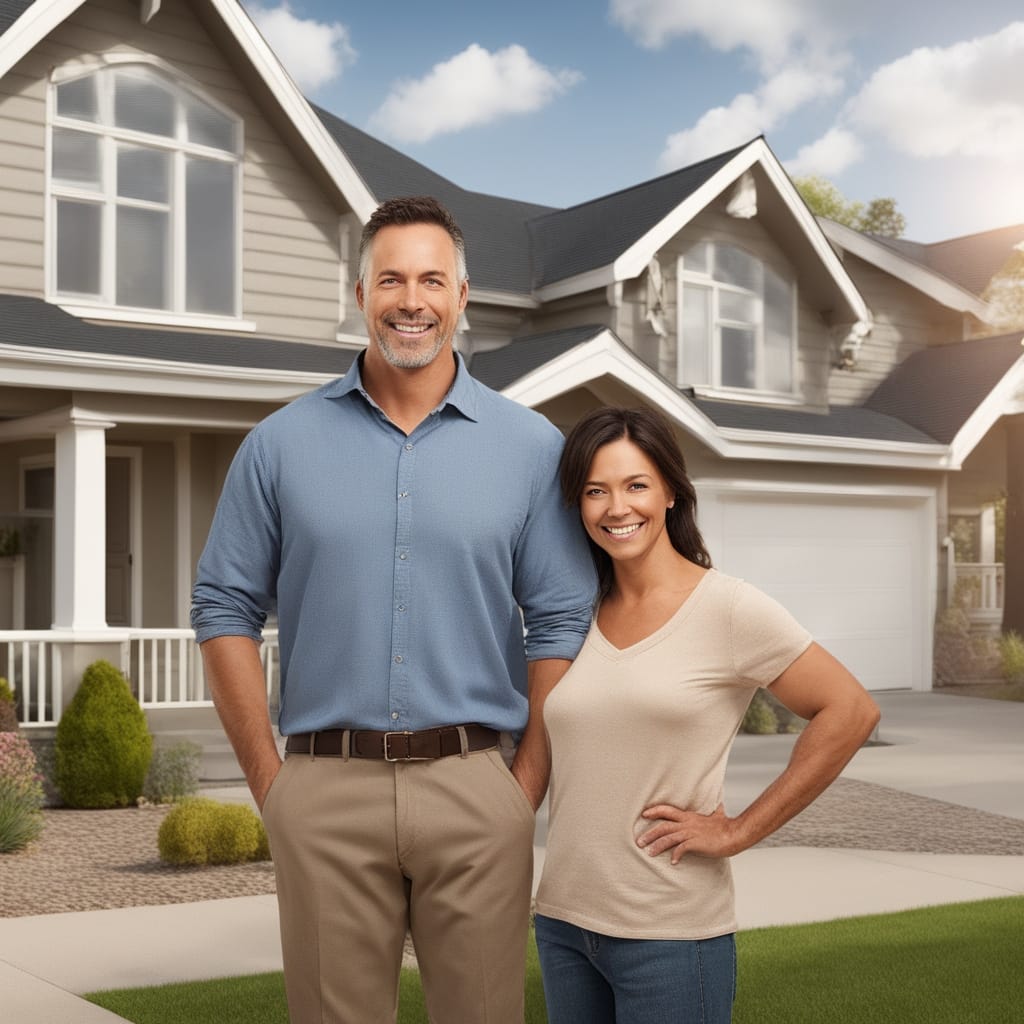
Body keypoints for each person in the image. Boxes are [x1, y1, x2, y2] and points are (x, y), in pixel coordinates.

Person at [190, 196, 596, 1024]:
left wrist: (523, 786)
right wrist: (272, 784)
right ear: (360, 293)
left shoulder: (531, 448)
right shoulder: (279, 445)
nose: (412, 301)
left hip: (476, 787)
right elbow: (224, 604)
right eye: (392, 280)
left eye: (432, 280)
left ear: (462, 296)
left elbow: (560, 619)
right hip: (324, 789)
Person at [533, 406, 881, 1024]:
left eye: (636, 485)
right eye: (595, 490)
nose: (617, 507)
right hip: (563, 922)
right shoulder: (576, 609)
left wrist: (739, 830)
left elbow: (850, 710)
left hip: (670, 932)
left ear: (670, 491)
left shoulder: (728, 608)